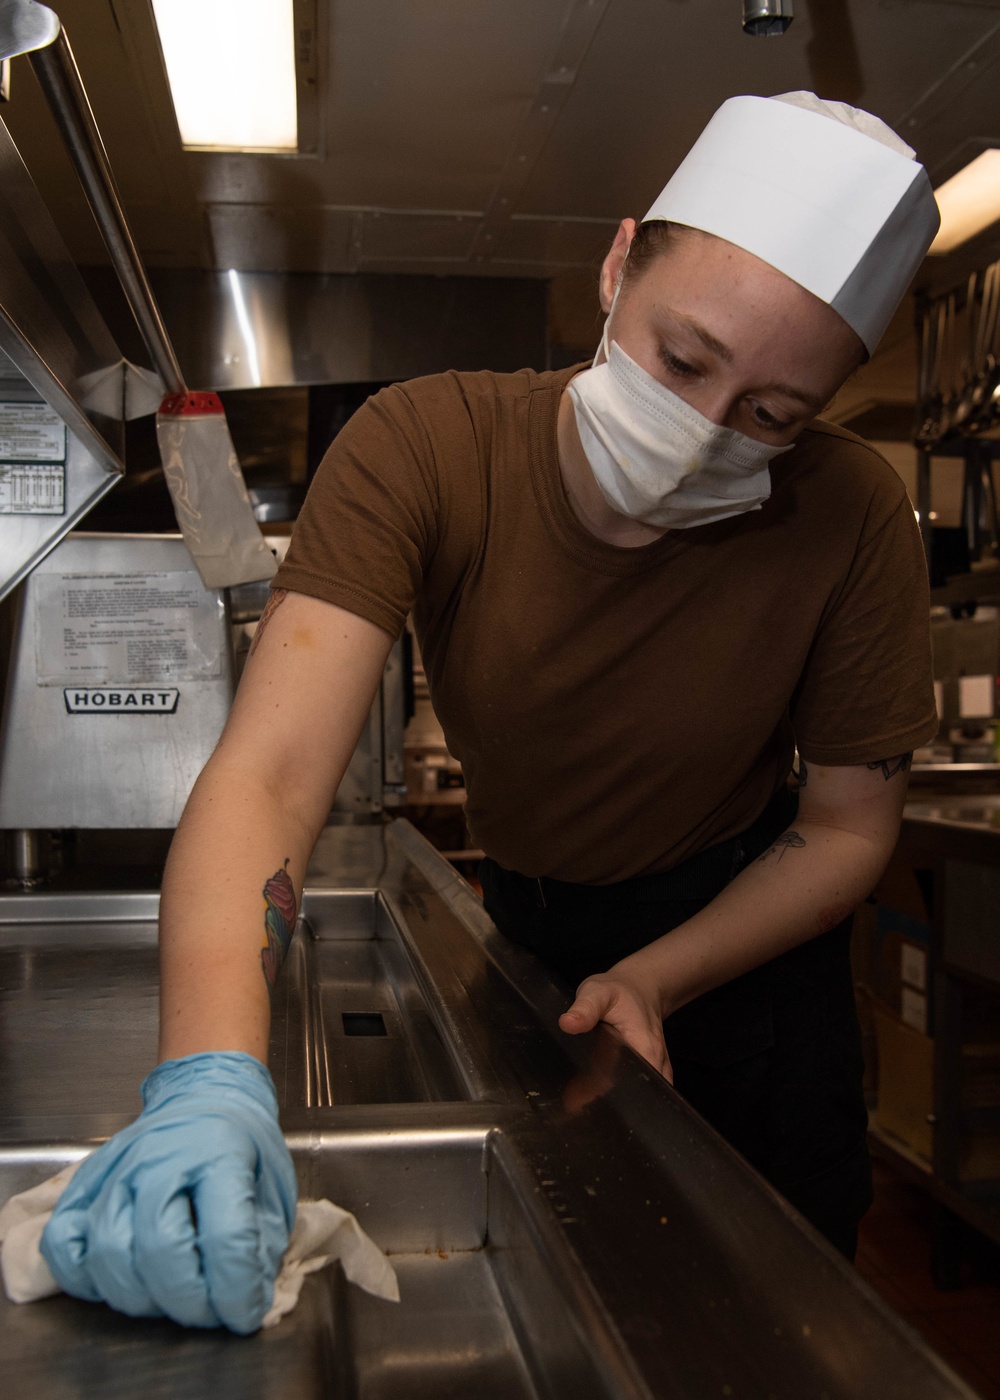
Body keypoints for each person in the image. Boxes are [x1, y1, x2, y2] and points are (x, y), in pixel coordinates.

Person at [40, 91, 942, 1331]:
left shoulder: (849, 519)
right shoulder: (429, 444)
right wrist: (208, 1073)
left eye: (772, 417)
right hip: (529, 924)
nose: (700, 434)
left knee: (762, 1311)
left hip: (740, 957)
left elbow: (845, 825)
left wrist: (657, 974)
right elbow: (273, 775)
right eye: (682, 360)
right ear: (620, 261)